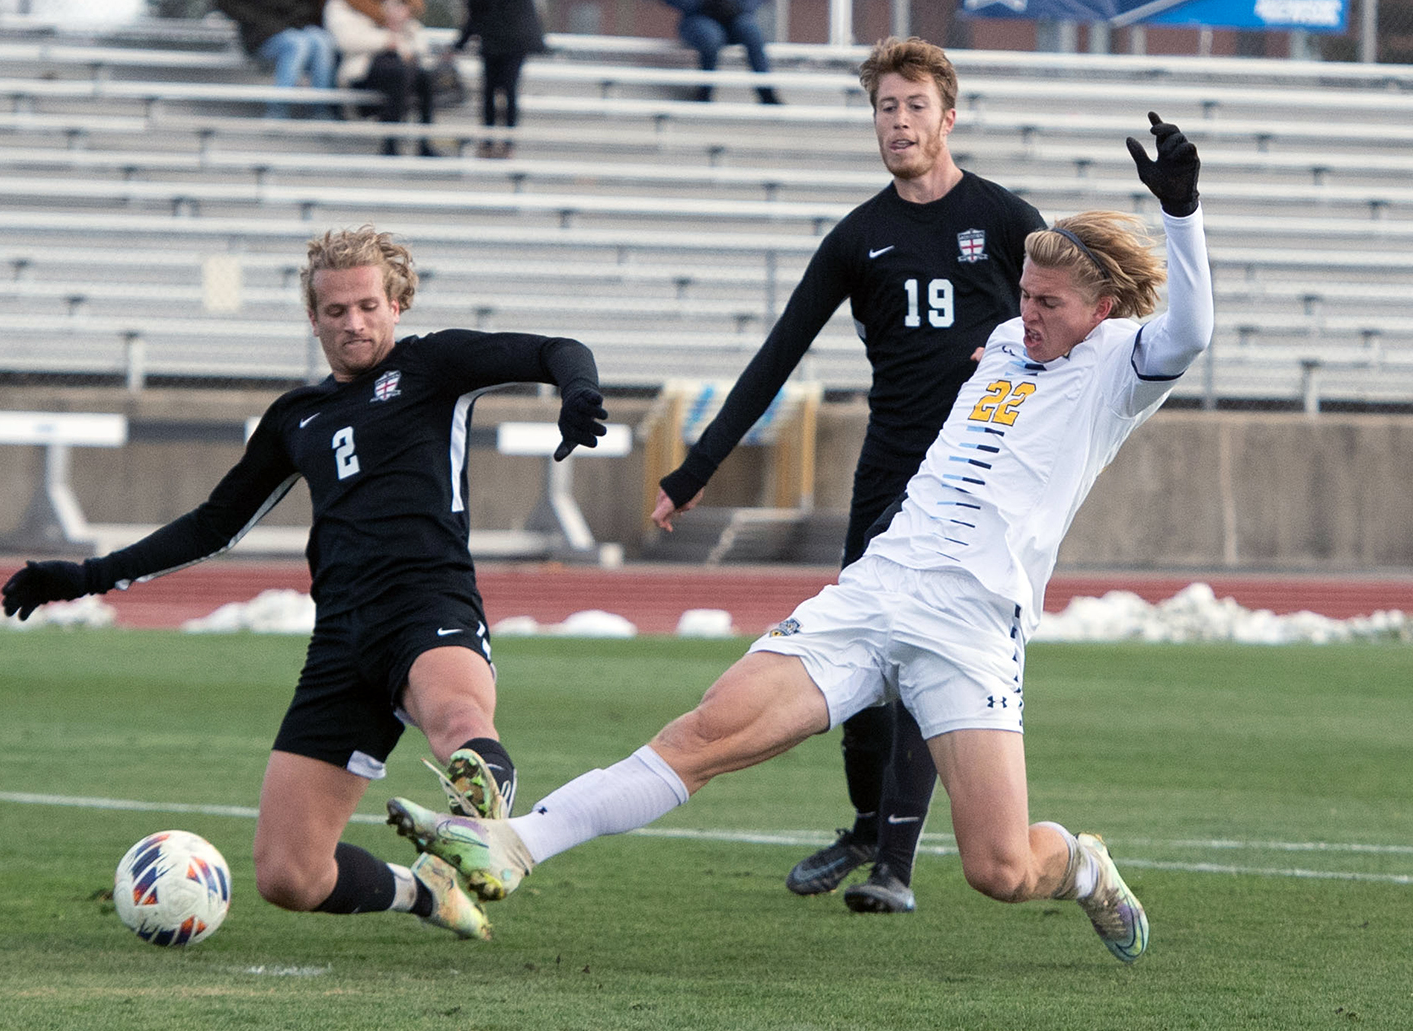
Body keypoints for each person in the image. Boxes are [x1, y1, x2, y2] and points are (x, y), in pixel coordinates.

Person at [386, 112, 1209, 964]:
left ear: (1103, 309)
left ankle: (1081, 865)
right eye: (1025, 294)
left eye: (1048, 303)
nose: (1026, 312)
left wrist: (1182, 213)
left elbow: (1191, 332)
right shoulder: (1005, 339)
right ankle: (516, 845)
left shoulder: (1120, 364)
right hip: (877, 591)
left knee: (1000, 869)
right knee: (706, 734)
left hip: (971, 625)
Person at [0, 226, 609, 942]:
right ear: (312, 318)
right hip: (340, 642)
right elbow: (212, 525)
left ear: (398, 303)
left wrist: (579, 392)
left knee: (459, 728)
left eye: (368, 306)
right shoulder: (297, 418)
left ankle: (485, 826)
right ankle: (428, 893)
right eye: (335, 311)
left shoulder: (433, 366)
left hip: (428, 605)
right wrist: (86, 576)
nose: (354, 322)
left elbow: (554, 351)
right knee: (288, 875)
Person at [653, 37, 1044, 915]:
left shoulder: (1009, 219)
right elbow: (777, 355)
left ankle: (894, 866)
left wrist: (1026, 349)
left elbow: (1076, 310)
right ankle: (871, 824)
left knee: (924, 656)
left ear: (950, 115)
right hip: (890, 477)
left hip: (981, 486)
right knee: (861, 668)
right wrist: (696, 467)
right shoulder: (859, 237)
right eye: (883, 107)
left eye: (914, 106)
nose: (898, 122)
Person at [326, 0, 441, 155]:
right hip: (361, 70)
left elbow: (417, 39)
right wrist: (389, 40)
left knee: (423, 76)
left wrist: (399, 26)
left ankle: (424, 144)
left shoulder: (390, 4)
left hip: (395, 68)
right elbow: (348, 40)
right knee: (399, 73)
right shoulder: (341, 4)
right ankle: (390, 144)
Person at [215, 0, 338, 120]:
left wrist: (301, 18)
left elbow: (307, 2)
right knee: (297, 44)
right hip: (261, 34)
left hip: (295, 28)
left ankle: (321, 109)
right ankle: (278, 110)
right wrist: (258, 20)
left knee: (323, 41)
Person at [448, 0, 546, 159]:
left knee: (500, 90)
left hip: (507, 38)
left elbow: (479, 5)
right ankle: (497, 142)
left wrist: (459, 45)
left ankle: (497, 143)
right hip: (505, 38)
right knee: (501, 90)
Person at [660, 0, 780, 104]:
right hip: (699, 17)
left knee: (752, 32)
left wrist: (739, 7)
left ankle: (766, 91)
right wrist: (701, 2)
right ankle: (705, 90)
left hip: (735, 17)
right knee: (710, 36)